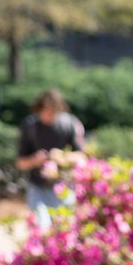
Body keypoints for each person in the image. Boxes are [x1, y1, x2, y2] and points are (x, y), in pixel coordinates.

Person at [15, 87, 85, 228]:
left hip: (64, 187)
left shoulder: (69, 124)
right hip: (38, 187)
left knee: (65, 229)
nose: (49, 116)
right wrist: (35, 160)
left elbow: (82, 157)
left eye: (53, 113)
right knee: (41, 228)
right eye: (46, 112)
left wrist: (62, 157)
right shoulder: (30, 126)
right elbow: (20, 163)